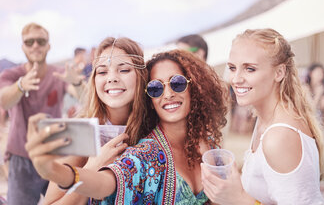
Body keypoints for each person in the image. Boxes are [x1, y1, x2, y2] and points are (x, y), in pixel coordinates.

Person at [25, 49, 228, 204]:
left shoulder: (211, 146)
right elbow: (107, 182)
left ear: (194, 86)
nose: (167, 94)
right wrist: (55, 171)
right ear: (148, 96)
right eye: (156, 88)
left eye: (177, 83)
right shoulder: (145, 154)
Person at [202, 28, 324, 205]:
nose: (236, 79)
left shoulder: (279, 136)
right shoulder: (265, 120)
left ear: (279, 72)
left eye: (250, 69)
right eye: (232, 68)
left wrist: (238, 199)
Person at [35, 36, 148, 204]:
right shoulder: (80, 132)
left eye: (123, 70)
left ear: (141, 76)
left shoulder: (155, 128)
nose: (112, 78)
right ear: (94, 80)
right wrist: (91, 170)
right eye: (102, 72)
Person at [0, 22, 85, 205]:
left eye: (40, 41)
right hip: (21, 156)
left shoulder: (59, 74)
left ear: (48, 45)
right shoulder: (10, 75)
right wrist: (20, 86)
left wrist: (77, 83)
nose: (35, 45)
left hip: (55, 153)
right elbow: (5, 100)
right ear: (22, 47)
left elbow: (84, 98)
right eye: (29, 42)